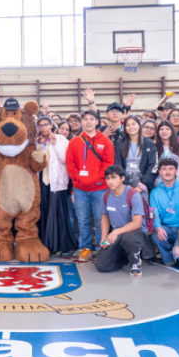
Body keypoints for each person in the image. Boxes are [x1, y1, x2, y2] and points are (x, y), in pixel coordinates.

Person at [65, 109, 115, 261]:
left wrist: (98, 179)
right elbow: (70, 163)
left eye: (91, 119)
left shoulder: (105, 141)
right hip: (80, 189)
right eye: (85, 119)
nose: (88, 122)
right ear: (81, 123)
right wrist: (77, 179)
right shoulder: (74, 142)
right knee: (83, 220)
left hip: (100, 188)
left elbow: (108, 163)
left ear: (97, 122)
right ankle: (85, 247)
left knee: (102, 219)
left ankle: (101, 247)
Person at [94, 165, 149, 276]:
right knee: (101, 265)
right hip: (117, 235)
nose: (110, 181)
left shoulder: (133, 195)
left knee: (129, 238)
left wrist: (115, 232)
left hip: (135, 233)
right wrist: (104, 237)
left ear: (122, 178)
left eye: (114, 177)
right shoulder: (105, 196)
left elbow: (137, 223)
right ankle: (127, 257)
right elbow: (105, 218)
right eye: (108, 178)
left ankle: (135, 261)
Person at [36, 116, 76, 256]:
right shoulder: (38, 141)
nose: (43, 127)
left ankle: (58, 244)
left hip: (57, 181)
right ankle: (45, 243)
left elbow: (65, 160)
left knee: (56, 212)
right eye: (40, 125)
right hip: (41, 181)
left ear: (51, 125)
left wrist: (54, 144)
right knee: (44, 211)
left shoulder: (61, 139)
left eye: (45, 124)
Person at [150, 158, 179, 267]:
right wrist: (158, 227)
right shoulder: (155, 192)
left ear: (176, 171)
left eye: (171, 169)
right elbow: (154, 213)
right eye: (164, 169)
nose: (168, 172)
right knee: (155, 235)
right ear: (160, 172)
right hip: (167, 228)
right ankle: (169, 259)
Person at [115, 116, 158, 201]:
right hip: (124, 179)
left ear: (139, 125)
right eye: (128, 125)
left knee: (141, 209)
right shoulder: (120, 143)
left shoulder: (149, 143)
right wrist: (124, 183)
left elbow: (153, 165)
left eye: (133, 124)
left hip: (142, 179)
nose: (131, 127)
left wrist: (143, 184)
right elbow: (117, 164)